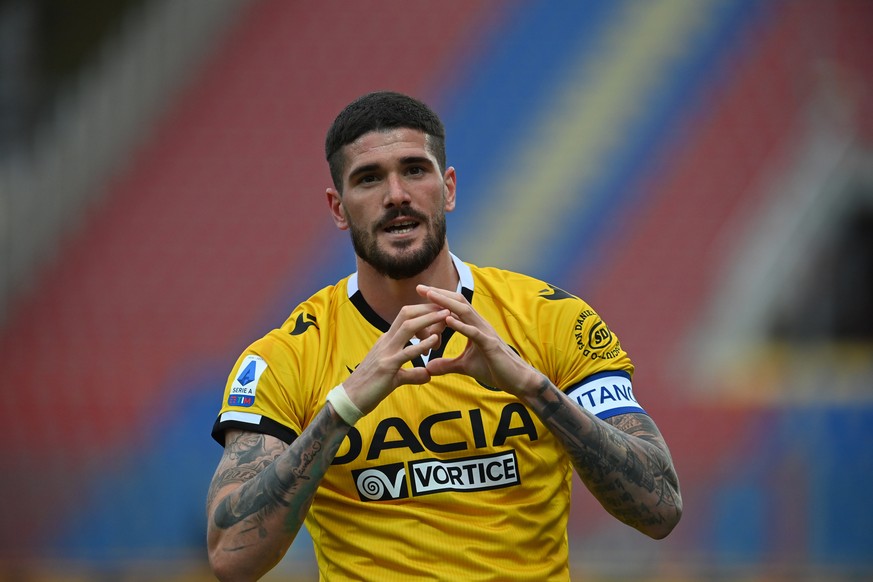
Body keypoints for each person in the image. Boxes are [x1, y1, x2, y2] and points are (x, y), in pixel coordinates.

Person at [206, 91, 682, 581]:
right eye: (368, 179)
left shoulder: (552, 320)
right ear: (338, 208)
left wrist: (534, 388)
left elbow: (661, 507)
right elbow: (230, 557)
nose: (396, 195)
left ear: (448, 188)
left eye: (415, 170)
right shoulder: (289, 354)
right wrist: (342, 408)